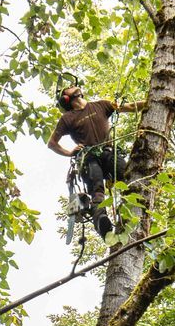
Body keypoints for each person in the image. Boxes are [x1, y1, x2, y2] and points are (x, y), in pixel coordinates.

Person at [48, 85, 143, 236]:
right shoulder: (67, 118)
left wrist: (150, 102)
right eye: (69, 87)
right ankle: (101, 222)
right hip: (89, 158)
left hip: (109, 153)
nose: (74, 86)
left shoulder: (101, 105)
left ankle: (131, 214)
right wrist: (69, 153)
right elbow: (52, 143)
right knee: (97, 190)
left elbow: (130, 106)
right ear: (66, 98)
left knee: (128, 178)